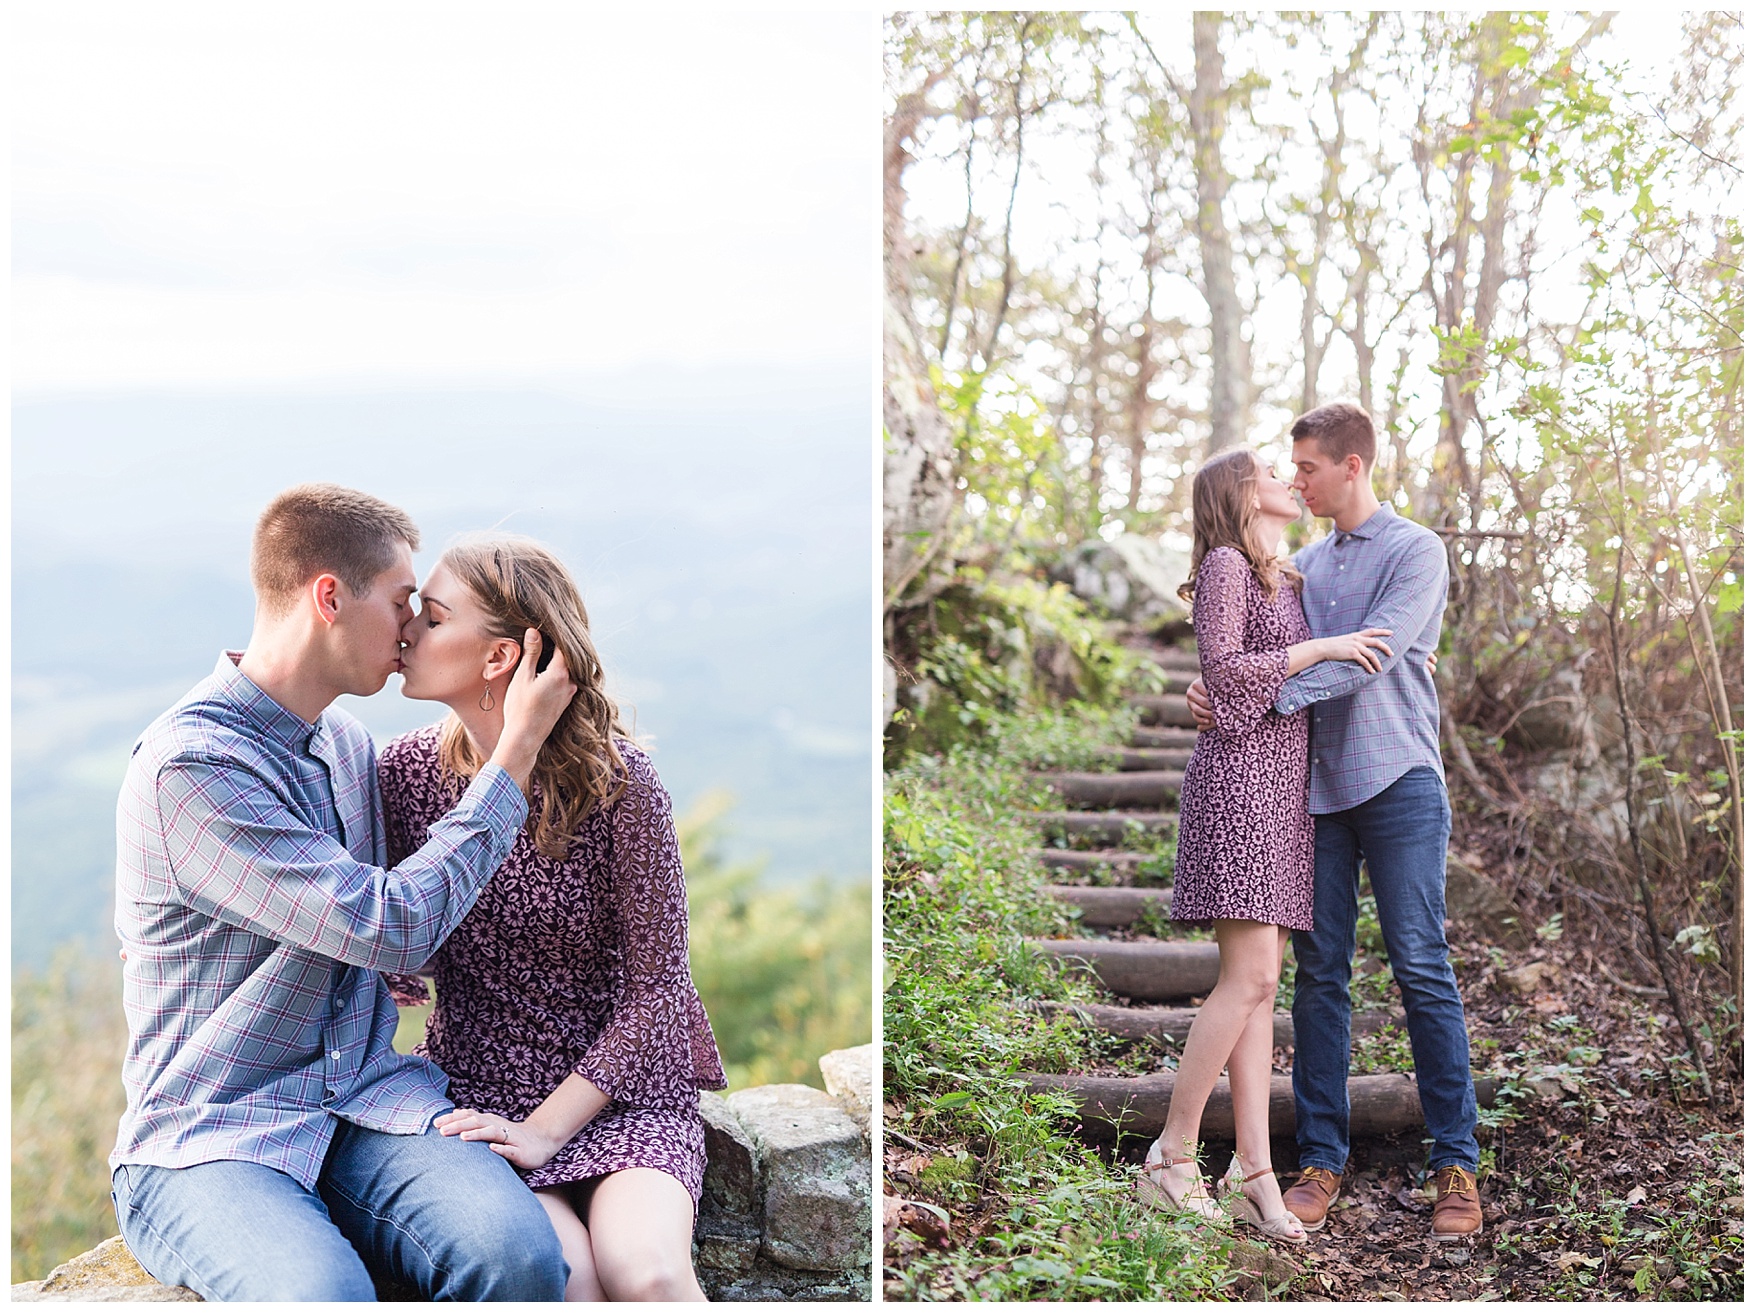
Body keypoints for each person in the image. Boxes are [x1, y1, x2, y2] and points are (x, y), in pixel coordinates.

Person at [110, 484, 579, 1301]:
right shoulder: (192, 767)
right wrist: (516, 751)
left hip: (368, 1103)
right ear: (329, 596)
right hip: (214, 1134)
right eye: (402, 602)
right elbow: (390, 923)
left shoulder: (348, 745)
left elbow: (406, 924)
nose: (410, 627)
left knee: (518, 1256)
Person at [382, 533, 726, 1302]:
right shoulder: (401, 776)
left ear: (500, 656)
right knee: (568, 1277)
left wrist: (548, 1128)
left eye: (432, 619)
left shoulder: (621, 782)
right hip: (479, 1096)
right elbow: (385, 943)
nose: (407, 632)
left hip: (623, 1095)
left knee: (651, 1271)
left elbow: (660, 989)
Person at [1186, 402, 1483, 1243]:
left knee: (1420, 964)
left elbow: (1375, 654)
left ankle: (1453, 1163)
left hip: (1398, 781)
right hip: (1311, 797)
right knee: (1319, 978)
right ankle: (1319, 1155)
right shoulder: (1302, 567)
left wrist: (1257, 693)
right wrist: (1211, 688)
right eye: (1290, 469)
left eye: (1308, 466)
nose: (1297, 479)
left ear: (1351, 466)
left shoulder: (1414, 550)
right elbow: (1243, 642)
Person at [1138, 448, 1394, 1244]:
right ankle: (1169, 1157)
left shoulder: (1282, 574)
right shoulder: (1223, 564)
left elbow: (1238, 676)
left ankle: (1254, 1175)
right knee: (1248, 977)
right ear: (1241, 494)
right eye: (1271, 472)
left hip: (1282, 791)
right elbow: (1222, 670)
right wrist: (1319, 648)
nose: (1288, 478)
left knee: (1260, 984)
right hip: (1239, 783)